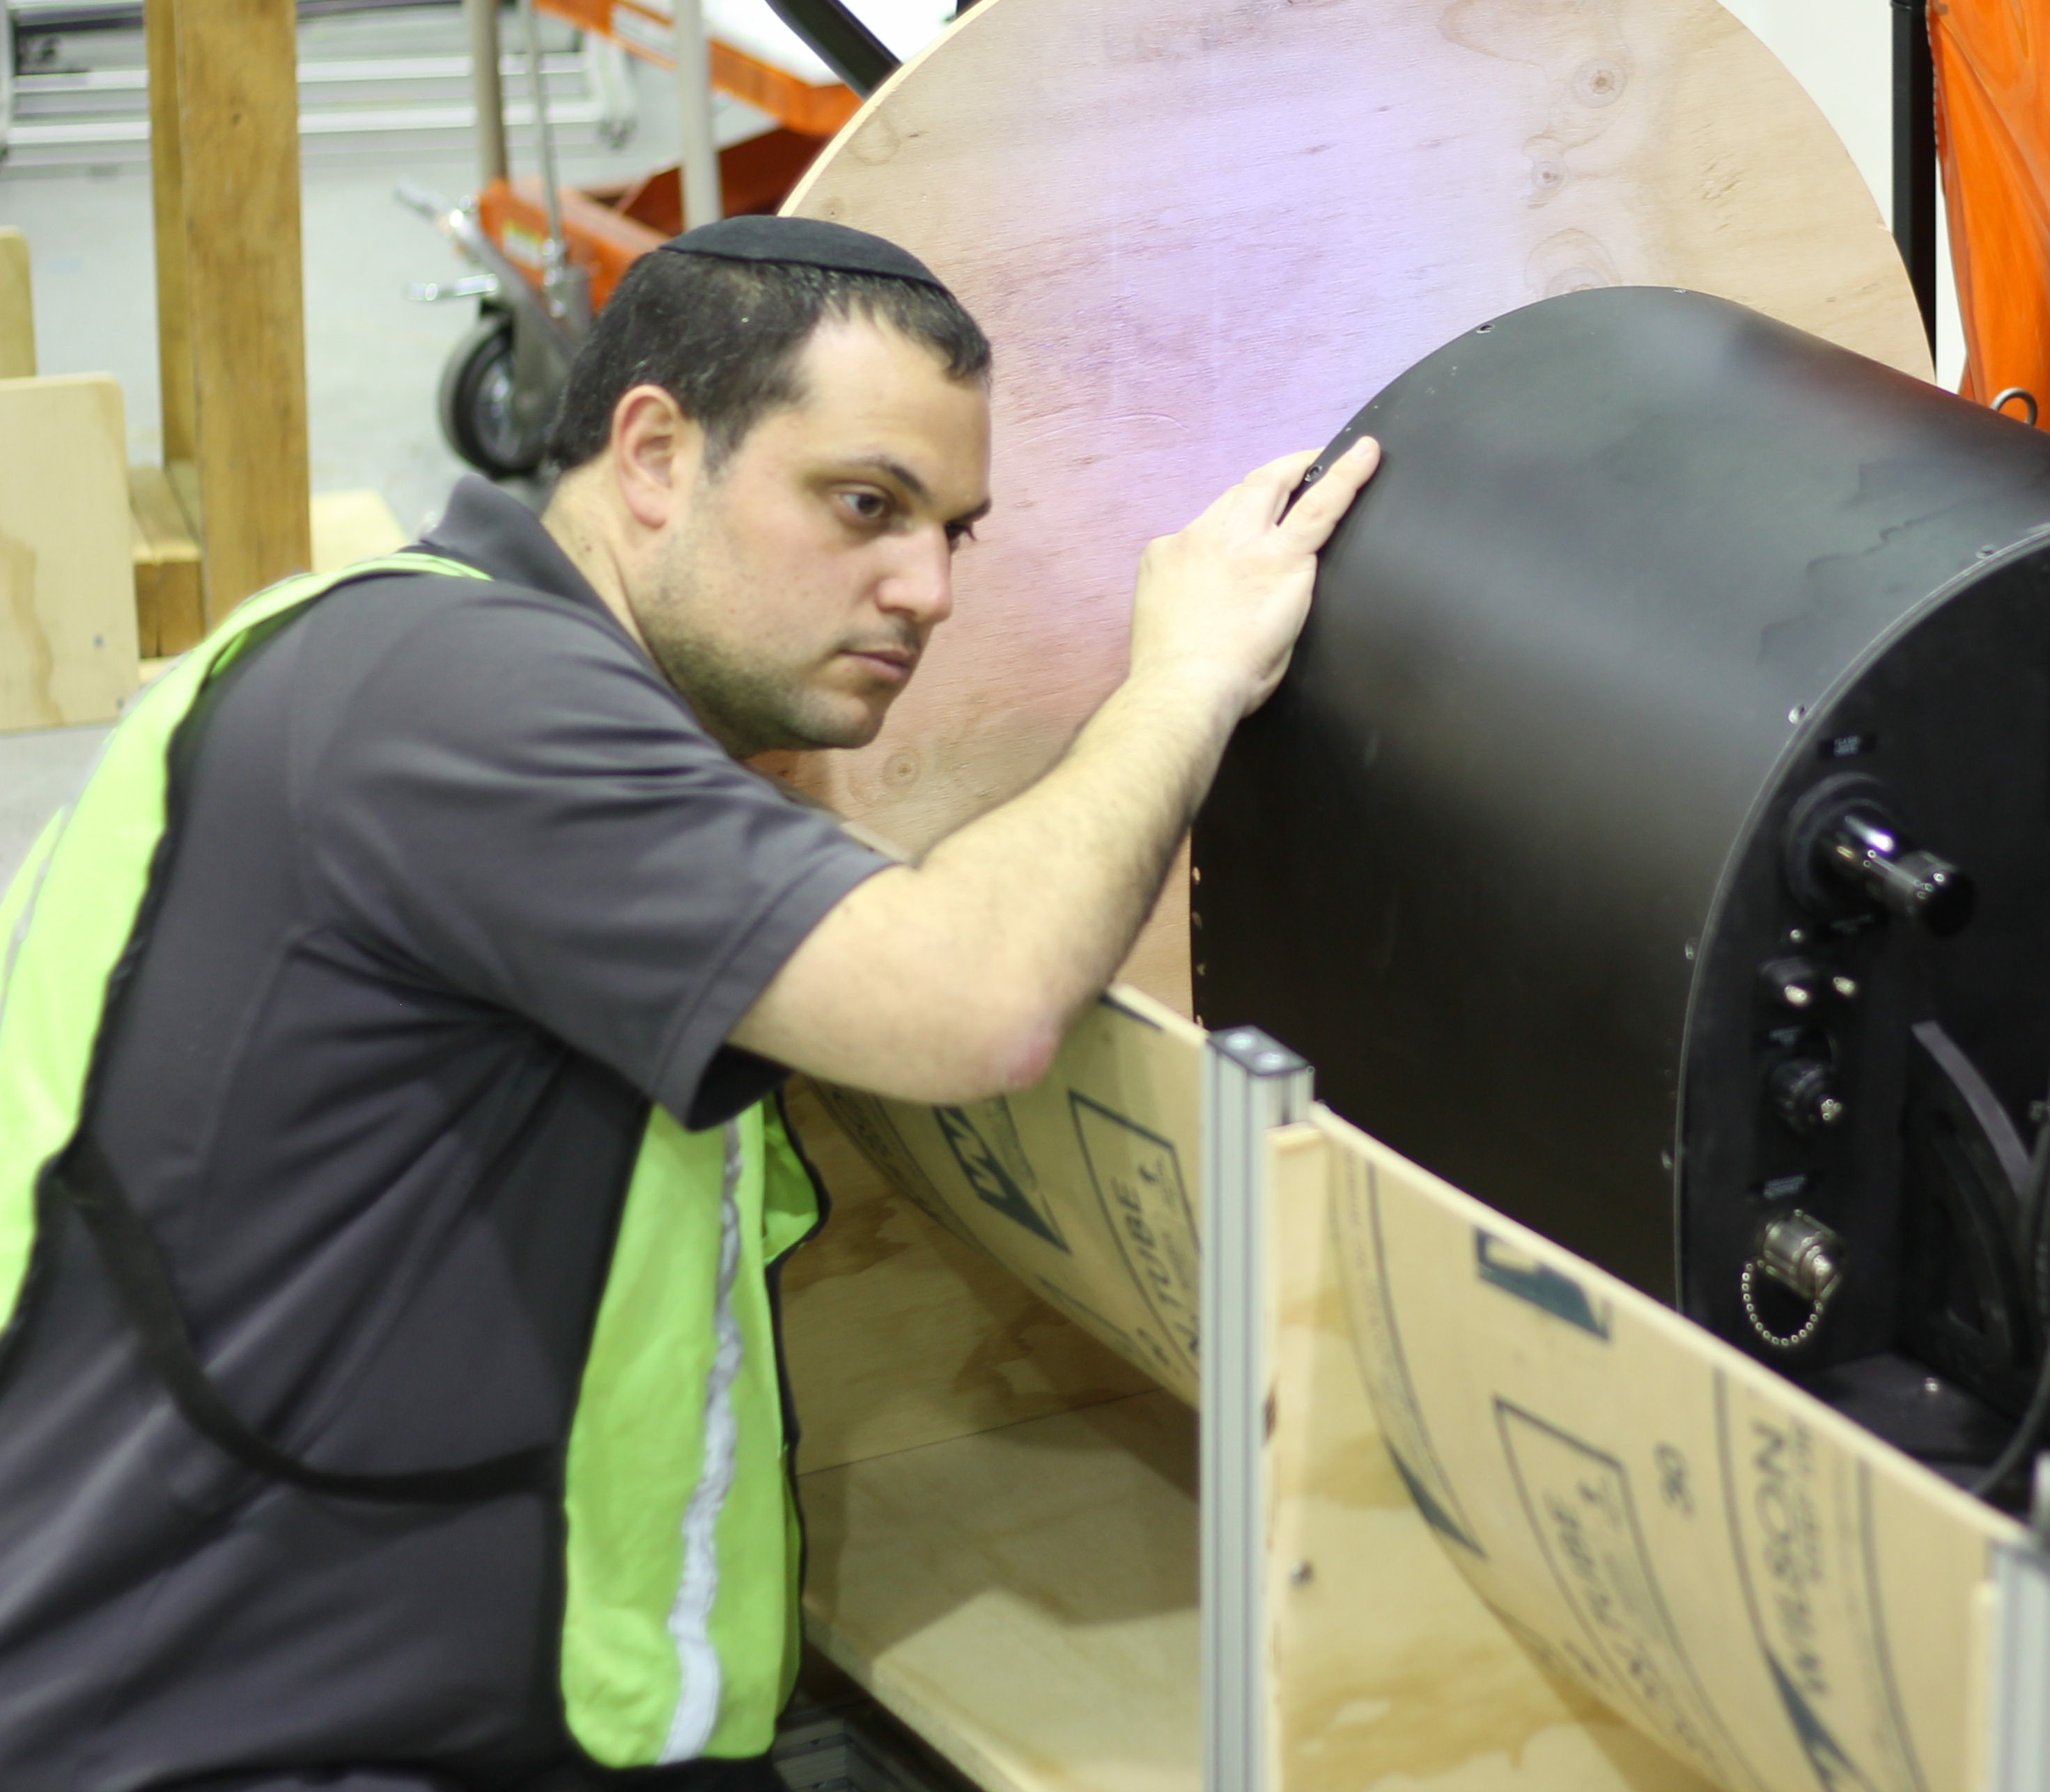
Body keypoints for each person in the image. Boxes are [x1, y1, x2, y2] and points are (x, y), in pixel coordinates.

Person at [0, 214, 1378, 1792]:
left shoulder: (376, 643)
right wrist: (1185, 678)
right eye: (865, 504)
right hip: (270, 1738)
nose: (926, 587)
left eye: (955, 532)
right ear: (653, 451)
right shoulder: (471, 709)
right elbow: (975, 1002)